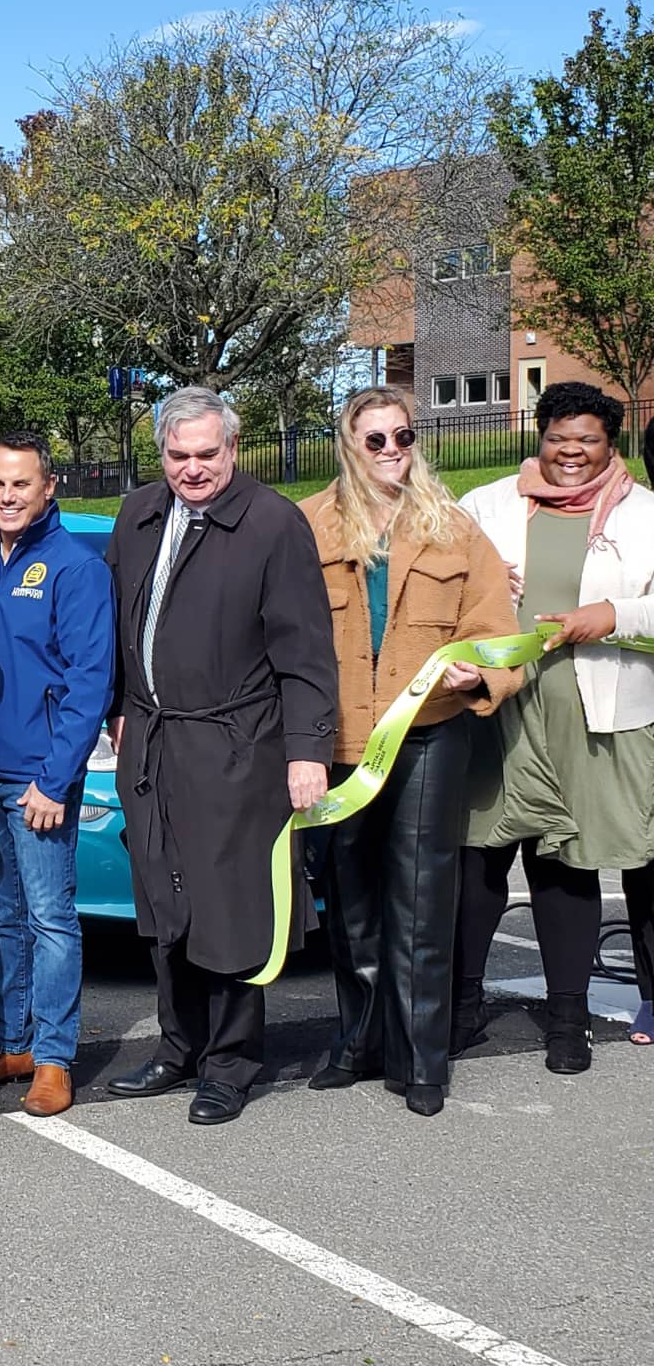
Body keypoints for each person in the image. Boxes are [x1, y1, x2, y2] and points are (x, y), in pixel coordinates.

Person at [104, 387, 337, 1126]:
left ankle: (231, 1063)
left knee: (231, 905)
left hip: (237, 744)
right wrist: (115, 708)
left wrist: (307, 752)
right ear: (161, 454)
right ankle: (180, 1047)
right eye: (179, 455)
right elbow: (118, 623)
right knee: (164, 901)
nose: (193, 469)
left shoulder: (272, 523)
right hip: (152, 739)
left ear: (233, 451)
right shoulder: (138, 514)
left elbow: (305, 653)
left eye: (208, 454)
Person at [297, 388, 522, 1116]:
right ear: (349, 444)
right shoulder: (307, 526)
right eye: (376, 440)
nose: (393, 451)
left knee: (423, 902)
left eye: (404, 437)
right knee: (353, 903)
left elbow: (497, 628)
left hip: (430, 733)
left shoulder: (454, 528)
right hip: (341, 742)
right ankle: (358, 1043)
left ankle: (421, 1059)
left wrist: (480, 670)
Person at [455, 381, 654, 1072]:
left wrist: (614, 617)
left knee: (566, 864)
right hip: (499, 710)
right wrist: (476, 577)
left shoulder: (645, 515)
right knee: (478, 859)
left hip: (596, 715)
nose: (571, 453)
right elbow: (429, 574)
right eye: (559, 439)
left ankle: (567, 1020)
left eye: (588, 441)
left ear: (611, 445)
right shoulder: (484, 505)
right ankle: (462, 1008)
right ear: (538, 437)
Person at [0, 430, 115, 1117]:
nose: (7, 496)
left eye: (21, 484)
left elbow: (90, 684)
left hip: (40, 779)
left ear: (48, 487)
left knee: (52, 919)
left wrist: (55, 780)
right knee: (2, 918)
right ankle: (12, 1040)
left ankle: (53, 1058)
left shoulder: (75, 567)